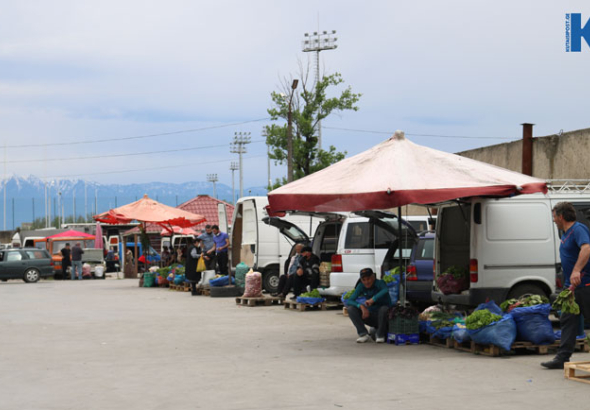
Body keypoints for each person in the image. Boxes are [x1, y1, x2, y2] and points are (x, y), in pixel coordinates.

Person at [542, 202, 590, 369]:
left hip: (585, 285)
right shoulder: (565, 233)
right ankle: (562, 358)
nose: (553, 220)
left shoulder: (578, 229)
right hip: (571, 288)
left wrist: (576, 270)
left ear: (561, 216)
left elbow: (587, 248)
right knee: (568, 321)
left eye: (554, 216)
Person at [346, 268, 392, 343]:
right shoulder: (361, 286)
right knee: (351, 309)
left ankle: (380, 335)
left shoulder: (380, 283)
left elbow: (385, 290)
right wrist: (361, 306)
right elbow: (350, 300)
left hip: (385, 317)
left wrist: (373, 299)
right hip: (371, 315)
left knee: (383, 309)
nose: (366, 282)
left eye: (368, 279)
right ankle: (363, 334)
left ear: (373, 277)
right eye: (364, 280)